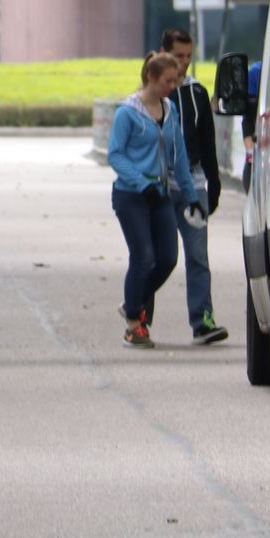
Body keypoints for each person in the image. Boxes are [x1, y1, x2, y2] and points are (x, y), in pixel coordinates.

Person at [108, 52, 202, 348]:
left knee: (168, 258)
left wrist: (191, 196)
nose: (172, 87)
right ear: (151, 77)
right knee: (143, 256)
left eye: (175, 82)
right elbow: (115, 154)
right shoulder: (127, 113)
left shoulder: (170, 110)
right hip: (131, 195)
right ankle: (134, 324)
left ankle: (132, 301)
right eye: (167, 81)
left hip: (160, 194)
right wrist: (140, 182)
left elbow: (180, 156)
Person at [161, 28, 231, 345]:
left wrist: (213, 185)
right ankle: (139, 318)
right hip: (161, 186)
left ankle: (203, 321)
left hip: (195, 184)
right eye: (178, 56)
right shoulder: (154, 93)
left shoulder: (198, 93)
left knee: (198, 256)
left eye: (189, 56)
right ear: (164, 54)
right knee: (155, 258)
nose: (184, 62)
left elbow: (207, 143)